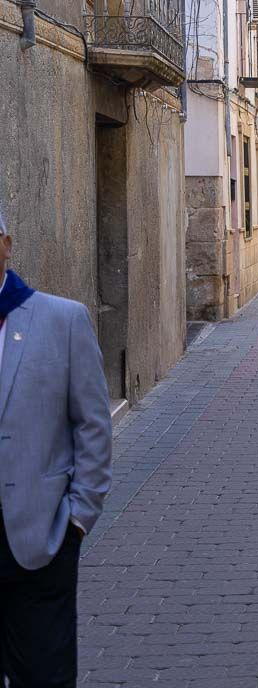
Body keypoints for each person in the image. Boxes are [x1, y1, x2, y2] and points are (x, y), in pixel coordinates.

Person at [0, 204, 112, 687]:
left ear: (5, 246)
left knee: (43, 676)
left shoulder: (61, 320)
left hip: (39, 540)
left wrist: (78, 519)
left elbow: (93, 425)